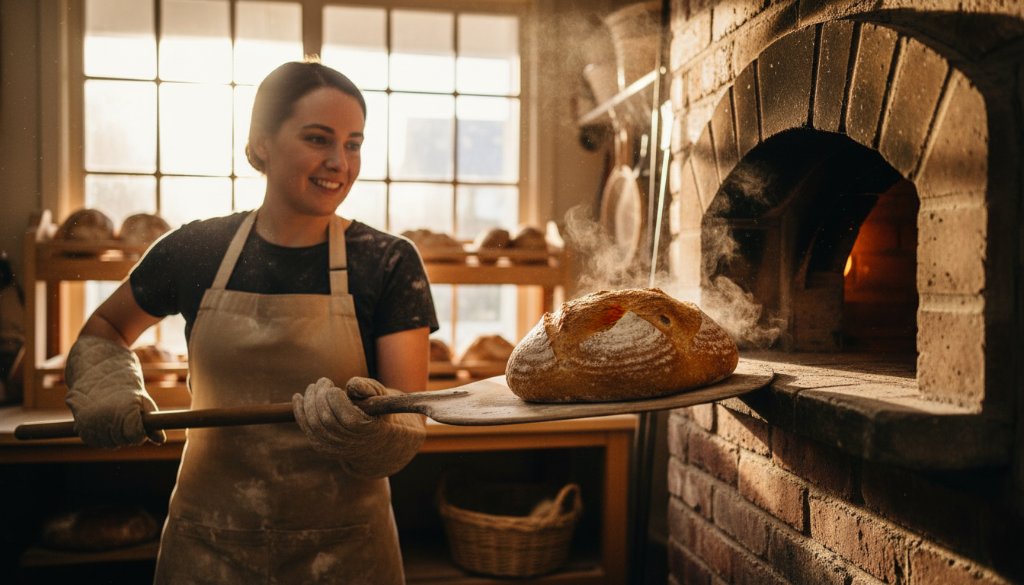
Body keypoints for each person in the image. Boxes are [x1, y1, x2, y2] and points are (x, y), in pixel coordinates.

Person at [63, 60, 438, 584]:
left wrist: (368, 435)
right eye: (317, 138)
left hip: (345, 549)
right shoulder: (196, 249)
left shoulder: (388, 261)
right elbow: (106, 327)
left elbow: (408, 419)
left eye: (353, 143)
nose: (339, 162)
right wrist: (107, 389)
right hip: (208, 544)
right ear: (261, 143)